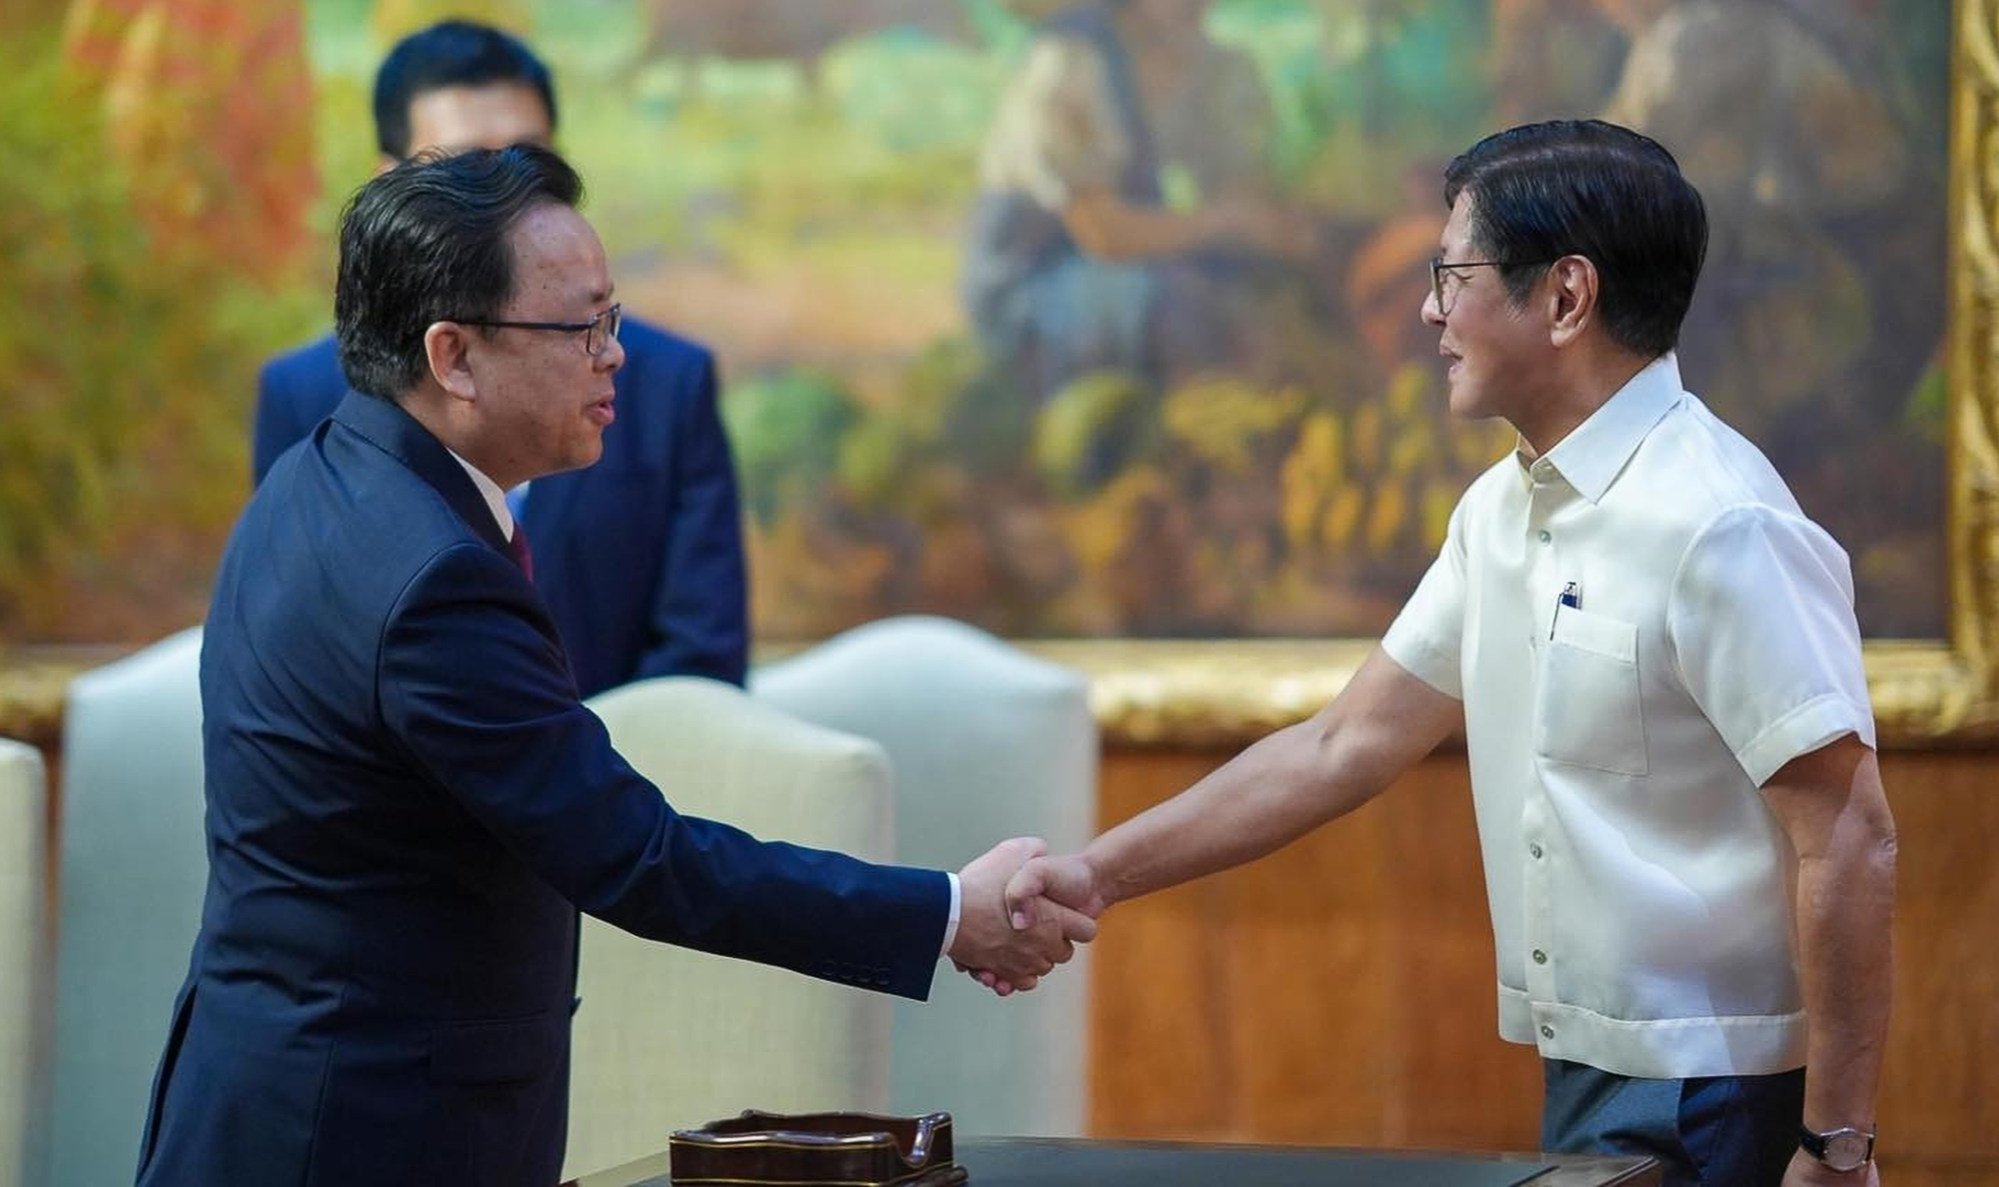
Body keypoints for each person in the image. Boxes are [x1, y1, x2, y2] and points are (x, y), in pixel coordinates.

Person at [137, 145, 1093, 1187]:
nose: (615, 355)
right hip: (358, 1130)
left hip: (269, 1096)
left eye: (614, 317)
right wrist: (949, 911)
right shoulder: (430, 579)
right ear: (452, 355)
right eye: (579, 326)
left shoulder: (318, 478)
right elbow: (637, 856)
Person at [1001, 121, 1896, 1186]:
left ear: (1565, 297)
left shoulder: (1719, 520)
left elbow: (1849, 834)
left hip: (1718, 1090)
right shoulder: (1499, 510)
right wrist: (1091, 874)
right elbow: (1341, 745)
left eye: (1450, 273)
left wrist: (1835, 1145)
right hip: (1582, 1068)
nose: (1427, 309)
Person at [254, 20, 748, 695]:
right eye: (463, 172)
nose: (505, 204)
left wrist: (573, 781)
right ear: (386, 187)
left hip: (622, 778)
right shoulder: (305, 395)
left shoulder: (662, 381)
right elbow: (302, 652)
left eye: (524, 164)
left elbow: (701, 658)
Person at [962, 0, 1323, 403]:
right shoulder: (1071, 62)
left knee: (1267, 287)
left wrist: (1270, 227)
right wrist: (1227, 221)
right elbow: (1102, 233)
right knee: (1172, 307)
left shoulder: (1212, 66)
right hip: (1037, 276)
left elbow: (1240, 188)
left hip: (1141, 254)